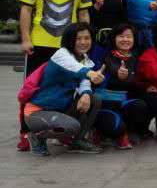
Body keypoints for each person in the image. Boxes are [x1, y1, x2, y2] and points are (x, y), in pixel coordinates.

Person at [24, 23, 105, 155]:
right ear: (69, 39)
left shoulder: (85, 59)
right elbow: (76, 68)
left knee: (94, 99)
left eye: (87, 38)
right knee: (72, 126)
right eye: (78, 39)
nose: (83, 42)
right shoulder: (62, 55)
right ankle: (36, 136)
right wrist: (91, 74)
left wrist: (86, 93)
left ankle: (77, 142)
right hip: (38, 112)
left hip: (60, 109)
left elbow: (84, 82)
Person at [95, 23, 151, 148]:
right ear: (114, 38)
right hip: (108, 102)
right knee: (114, 127)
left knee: (143, 104)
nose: (125, 39)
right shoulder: (105, 57)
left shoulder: (137, 58)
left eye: (129, 36)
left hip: (127, 101)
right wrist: (118, 77)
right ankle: (104, 131)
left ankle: (132, 131)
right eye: (121, 36)